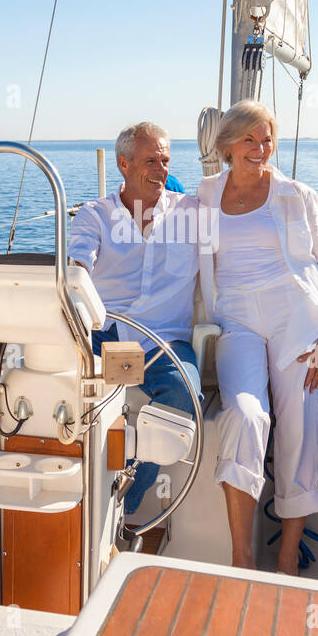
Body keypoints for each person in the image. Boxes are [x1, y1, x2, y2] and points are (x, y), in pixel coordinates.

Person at [197, 99, 318, 575]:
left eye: (267, 140)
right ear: (227, 146)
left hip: (296, 323)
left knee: (299, 431)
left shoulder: (297, 195)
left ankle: (286, 558)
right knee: (244, 415)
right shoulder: (203, 195)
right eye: (249, 140)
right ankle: (241, 556)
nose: (260, 149)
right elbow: (157, 226)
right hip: (236, 319)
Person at [68, 122, 201, 517]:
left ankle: (119, 506)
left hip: (165, 342)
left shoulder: (191, 214)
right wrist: (76, 277)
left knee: (183, 398)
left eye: (165, 161)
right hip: (104, 335)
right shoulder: (95, 216)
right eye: (150, 161)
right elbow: (78, 264)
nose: (160, 170)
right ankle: (65, 494)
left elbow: (242, 208)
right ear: (124, 164)